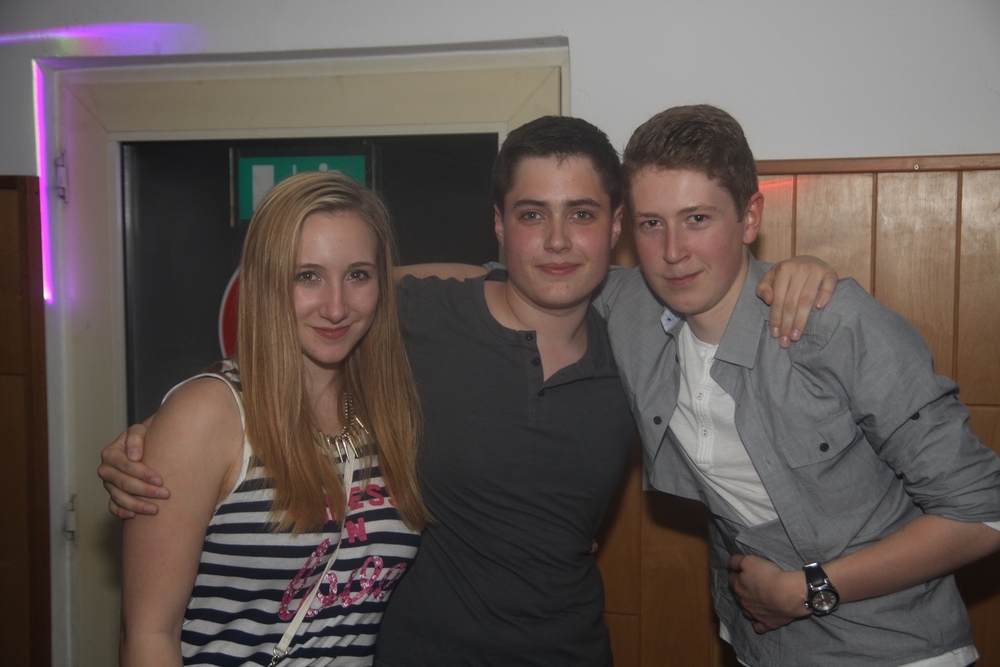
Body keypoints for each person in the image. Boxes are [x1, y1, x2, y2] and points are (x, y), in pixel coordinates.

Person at [100, 116, 835, 665]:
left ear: (614, 226)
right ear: (499, 227)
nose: (556, 240)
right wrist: (171, 430)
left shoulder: (647, 341)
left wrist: (792, 274)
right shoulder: (415, 318)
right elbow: (304, 318)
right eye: (532, 214)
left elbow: (742, 437)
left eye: (581, 214)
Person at [588, 104, 1000, 666]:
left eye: (698, 219)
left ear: (749, 217)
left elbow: (982, 514)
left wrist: (807, 590)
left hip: (895, 648)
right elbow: (516, 283)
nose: (673, 251)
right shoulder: (629, 307)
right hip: (759, 644)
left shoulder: (833, 324)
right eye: (651, 223)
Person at [118, 171, 428, 667]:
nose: (336, 307)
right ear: (266, 281)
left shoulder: (388, 417)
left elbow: (504, 282)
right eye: (307, 276)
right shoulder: (210, 415)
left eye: (357, 275)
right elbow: (150, 635)